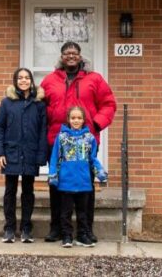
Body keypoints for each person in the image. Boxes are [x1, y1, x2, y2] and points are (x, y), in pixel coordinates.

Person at [41, 41, 117, 244]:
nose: (71, 56)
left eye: (74, 53)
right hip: (58, 141)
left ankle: (86, 230)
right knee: (56, 184)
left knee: (86, 186)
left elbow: (108, 104)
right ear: (61, 57)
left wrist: (96, 125)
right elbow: (42, 109)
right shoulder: (49, 81)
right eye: (67, 53)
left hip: (86, 141)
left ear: (81, 56)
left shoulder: (95, 79)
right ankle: (57, 227)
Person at [0, 67, 47, 243]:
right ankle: (9, 229)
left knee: (28, 191)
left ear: (31, 81)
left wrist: (41, 155)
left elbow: (42, 131)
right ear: (15, 81)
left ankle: (26, 229)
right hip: (11, 153)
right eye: (20, 78)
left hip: (30, 153)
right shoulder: (7, 102)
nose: (23, 81)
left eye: (27, 78)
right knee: (10, 191)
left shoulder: (39, 104)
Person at [48, 105, 107, 248]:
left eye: (79, 118)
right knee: (65, 212)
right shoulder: (61, 137)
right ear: (68, 119)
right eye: (73, 118)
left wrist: (100, 171)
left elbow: (93, 158)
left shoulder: (89, 138)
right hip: (66, 182)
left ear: (83, 120)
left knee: (82, 212)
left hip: (84, 182)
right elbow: (55, 156)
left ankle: (82, 236)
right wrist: (53, 174)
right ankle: (67, 236)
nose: (76, 120)